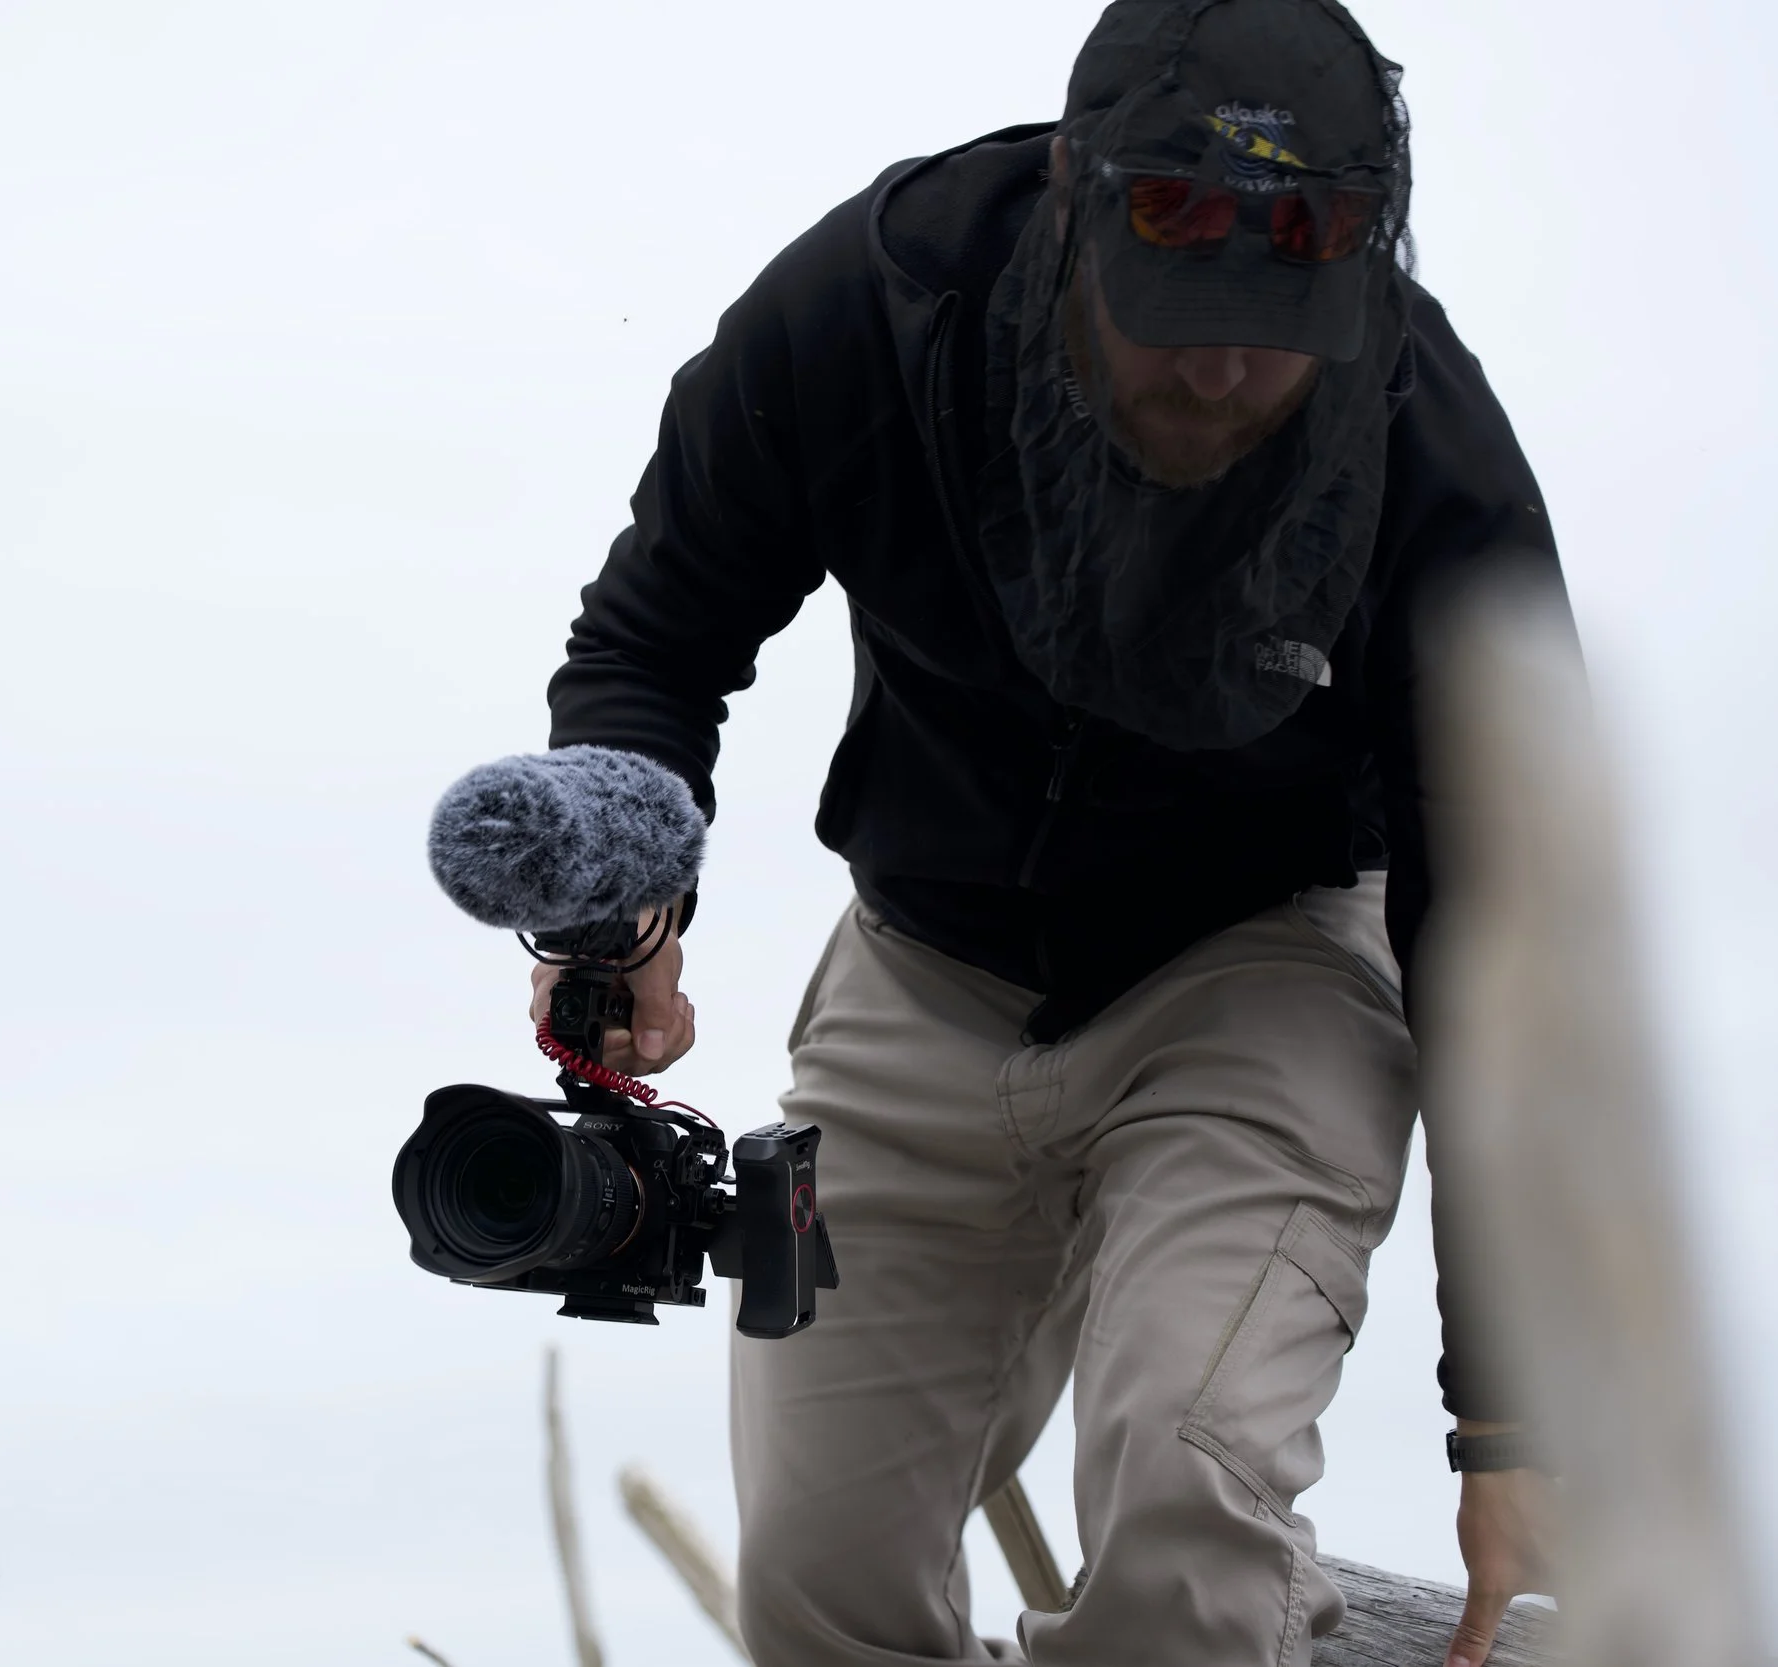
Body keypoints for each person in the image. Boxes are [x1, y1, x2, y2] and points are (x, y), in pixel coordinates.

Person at [531, 1, 1564, 1662]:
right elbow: (653, 641)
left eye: (1274, 327)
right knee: (817, 1574)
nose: (1219, 369)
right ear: (1081, 204)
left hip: (1259, 966)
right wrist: (621, 912)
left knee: (1183, 1495)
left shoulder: (1432, 453)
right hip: (921, 971)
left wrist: (1507, 1424)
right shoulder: (869, 309)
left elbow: (1505, 933)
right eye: (1177, 316)